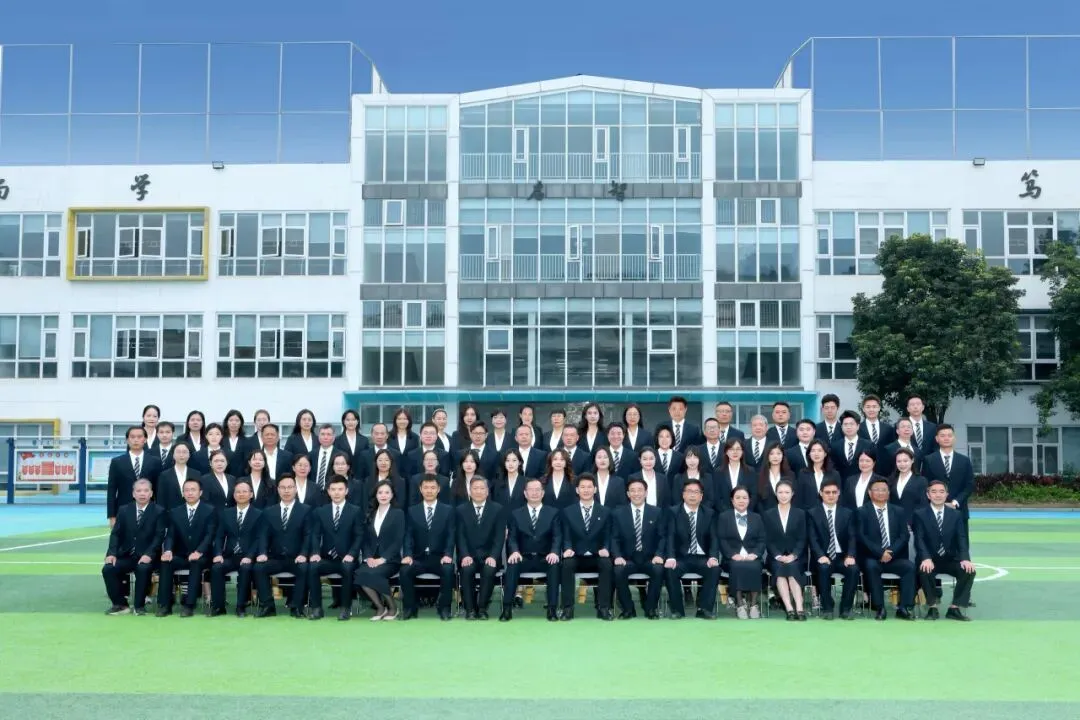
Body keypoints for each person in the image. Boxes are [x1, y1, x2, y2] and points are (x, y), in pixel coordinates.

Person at [913, 479, 976, 621]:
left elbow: (961, 538)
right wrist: (925, 558)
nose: (938, 495)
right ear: (928, 495)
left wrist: (965, 558)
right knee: (924, 569)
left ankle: (954, 608)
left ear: (947, 494)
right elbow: (919, 539)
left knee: (969, 571)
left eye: (941, 492)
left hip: (950, 559)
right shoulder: (920, 514)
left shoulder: (956, 515)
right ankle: (932, 607)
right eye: (934, 492)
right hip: (930, 558)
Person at [253, 474, 312, 618]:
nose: (286, 491)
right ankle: (268, 606)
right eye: (283, 488)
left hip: (297, 558)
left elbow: (308, 535)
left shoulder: (306, 510)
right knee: (259, 568)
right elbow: (263, 535)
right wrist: (262, 552)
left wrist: (303, 554)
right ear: (278, 490)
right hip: (276, 557)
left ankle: (296, 607)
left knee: (304, 569)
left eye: (290, 487)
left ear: (295, 489)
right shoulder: (269, 512)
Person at [156, 478, 217, 617]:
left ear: (200, 492)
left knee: (196, 563)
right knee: (166, 562)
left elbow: (210, 535)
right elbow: (170, 535)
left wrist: (199, 551)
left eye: (193, 490)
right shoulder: (175, 511)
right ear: (182, 493)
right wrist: (168, 550)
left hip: (203, 556)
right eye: (187, 490)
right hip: (181, 554)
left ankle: (189, 605)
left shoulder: (210, 510)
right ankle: (165, 604)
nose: (190, 493)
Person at [503, 478, 562, 622]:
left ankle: (552, 609)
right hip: (523, 557)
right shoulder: (516, 514)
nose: (534, 493)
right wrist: (514, 551)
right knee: (512, 564)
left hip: (545, 557)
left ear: (543, 493)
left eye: (537, 490)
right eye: (531, 490)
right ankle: (507, 608)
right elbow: (512, 537)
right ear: (525, 493)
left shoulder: (553, 513)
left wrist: (554, 552)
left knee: (554, 565)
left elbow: (557, 536)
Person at [102, 479, 163, 616]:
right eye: (139, 491)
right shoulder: (124, 510)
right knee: (108, 569)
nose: (142, 494)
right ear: (133, 494)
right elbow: (116, 534)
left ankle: (139, 606)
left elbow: (159, 537)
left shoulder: (158, 511)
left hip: (148, 556)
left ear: (151, 493)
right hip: (126, 555)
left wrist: (149, 554)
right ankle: (120, 605)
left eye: (146, 491)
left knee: (143, 568)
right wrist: (111, 553)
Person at [858, 477, 916, 620]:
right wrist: (880, 553)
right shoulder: (862, 512)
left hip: (894, 556)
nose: (880, 492)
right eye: (876, 490)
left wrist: (890, 552)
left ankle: (903, 607)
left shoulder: (898, 511)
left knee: (910, 567)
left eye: (883, 490)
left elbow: (904, 536)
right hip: (873, 557)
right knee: (871, 566)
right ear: (870, 493)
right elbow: (862, 537)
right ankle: (880, 607)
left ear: (888, 493)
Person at [400, 474, 457, 621]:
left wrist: (448, 554)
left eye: (432, 487)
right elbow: (408, 536)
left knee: (448, 570)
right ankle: (409, 607)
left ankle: (444, 608)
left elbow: (451, 535)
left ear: (438, 489)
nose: (429, 491)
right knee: (405, 570)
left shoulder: (448, 510)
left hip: (439, 557)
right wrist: (407, 555)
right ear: (420, 489)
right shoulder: (412, 510)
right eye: (426, 487)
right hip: (418, 558)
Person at [306, 475, 363, 621]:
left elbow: (359, 536)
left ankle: (345, 608)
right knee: (313, 567)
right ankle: (317, 608)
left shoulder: (355, 511)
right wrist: (315, 553)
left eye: (340, 489)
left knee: (347, 569)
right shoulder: (320, 511)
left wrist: (352, 554)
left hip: (347, 557)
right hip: (327, 558)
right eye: (333, 489)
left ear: (346, 491)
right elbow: (315, 535)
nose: (337, 492)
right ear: (328, 491)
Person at [663, 478, 721, 620]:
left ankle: (704, 609)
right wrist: (670, 557)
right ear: (683, 494)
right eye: (689, 491)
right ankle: (677, 610)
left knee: (714, 569)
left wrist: (713, 557)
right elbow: (670, 536)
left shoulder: (709, 513)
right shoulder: (673, 512)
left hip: (702, 557)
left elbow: (714, 538)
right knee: (670, 569)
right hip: (681, 557)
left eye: (696, 492)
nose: (692, 495)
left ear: (701, 496)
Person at [559, 473, 613, 621]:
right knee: (567, 565)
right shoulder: (568, 511)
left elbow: (608, 534)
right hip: (576, 554)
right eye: (582, 487)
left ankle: (604, 608)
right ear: (577, 490)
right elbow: (566, 534)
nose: (586, 490)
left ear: (595, 489)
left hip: (597, 555)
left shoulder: (605, 511)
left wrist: (606, 548)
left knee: (607, 564)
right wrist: (567, 548)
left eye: (589, 487)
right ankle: (567, 609)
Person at [609, 477, 665, 619]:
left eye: (640, 490)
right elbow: (614, 538)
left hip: (650, 558)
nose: (636, 493)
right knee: (618, 571)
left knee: (658, 570)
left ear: (646, 493)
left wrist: (659, 554)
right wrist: (617, 556)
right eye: (632, 491)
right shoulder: (618, 513)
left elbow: (662, 537)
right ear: (628, 494)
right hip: (627, 558)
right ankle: (628, 609)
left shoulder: (656, 512)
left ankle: (651, 608)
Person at [210, 479, 264, 617]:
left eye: (245, 491)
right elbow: (219, 536)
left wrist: (249, 556)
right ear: (234, 495)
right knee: (216, 568)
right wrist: (218, 553)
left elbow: (259, 539)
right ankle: (218, 607)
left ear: (251, 494)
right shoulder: (226, 513)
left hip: (248, 556)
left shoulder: (259, 514)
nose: (241, 494)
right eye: (238, 492)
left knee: (245, 569)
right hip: (230, 555)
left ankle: (241, 606)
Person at [455, 476, 507, 620]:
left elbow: (499, 537)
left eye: (482, 488)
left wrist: (493, 556)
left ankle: (482, 608)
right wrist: (465, 555)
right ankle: (470, 609)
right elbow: (460, 536)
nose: (478, 491)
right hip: (468, 555)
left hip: (489, 555)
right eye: (475, 488)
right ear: (469, 491)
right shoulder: (460, 510)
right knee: (467, 569)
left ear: (487, 491)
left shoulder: (497, 509)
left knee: (489, 570)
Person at [807, 479, 859, 620]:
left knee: (853, 569)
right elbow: (812, 538)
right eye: (827, 492)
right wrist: (820, 555)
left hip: (842, 556)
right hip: (823, 556)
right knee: (823, 568)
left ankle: (846, 608)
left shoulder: (847, 513)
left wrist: (850, 555)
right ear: (821, 493)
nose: (831, 495)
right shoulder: (812, 513)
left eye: (834, 492)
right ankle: (827, 608)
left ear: (839, 493)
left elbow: (852, 537)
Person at [354, 480, 405, 621]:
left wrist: (383, 559)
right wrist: (368, 557)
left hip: (390, 560)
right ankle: (380, 607)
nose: (383, 495)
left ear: (392, 495)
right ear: (375, 495)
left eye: (387, 492)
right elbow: (365, 540)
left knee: (375, 574)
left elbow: (398, 540)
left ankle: (393, 607)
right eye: (380, 492)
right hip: (371, 558)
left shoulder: (398, 513)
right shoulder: (370, 513)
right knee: (360, 574)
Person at [716, 485, 766, 619]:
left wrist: (755, 554)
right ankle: (739, 604)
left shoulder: (757, 517)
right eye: (737, 498)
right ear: (732, 500)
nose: (741, 500)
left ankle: (753, 604)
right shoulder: (724, 517)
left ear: (749, 500)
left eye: (744, 498)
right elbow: (722, 539)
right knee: (736, 566)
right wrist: (732, 555)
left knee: (755, 566)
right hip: (731, 558)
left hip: (752, 556)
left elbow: (762, 540)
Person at [763, 479, 808, 620]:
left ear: (792, 494)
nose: (783, 495)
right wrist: (777, 556)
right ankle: (789, 609)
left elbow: (802, 538)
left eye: (787, 492)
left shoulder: (800, 513)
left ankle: (799, 608)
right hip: (775, 557)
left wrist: (794, 555)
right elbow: (768, 539)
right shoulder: (768, 514)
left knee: (792, 567)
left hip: (797, 556)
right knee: (780, 569)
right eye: (780, 492)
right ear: (775, 493)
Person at [106, 426, 158, 526]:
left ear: (145, 439)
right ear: (127, 440)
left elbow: (158, 489)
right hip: (123, 510)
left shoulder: (155, 461)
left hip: (149, 511)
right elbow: (111, 490)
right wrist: (112, 516)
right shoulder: (117, 462)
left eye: (139, 437)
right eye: (132, 437)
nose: (136, 440)